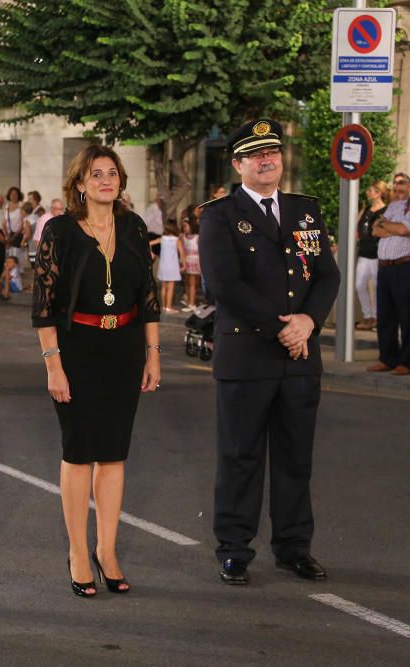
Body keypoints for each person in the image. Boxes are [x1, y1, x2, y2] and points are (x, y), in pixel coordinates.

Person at [199, 119, 340, 586]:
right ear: (238, 163)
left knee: (295, 457)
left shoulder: (304, 212)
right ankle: (235, 549)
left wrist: (308, 323)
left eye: (274, 152)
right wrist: (281, 327)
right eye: (256, 155)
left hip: (299, 356)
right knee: (240, 458)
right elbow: (224, 284)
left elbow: (327, 276)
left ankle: (294, 548)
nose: (268, 160)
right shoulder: (219, 215)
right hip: (247, 354)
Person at [32, 144, 161, 598]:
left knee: (114, 453)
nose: (106, 180)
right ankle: (78, 552)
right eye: (96, 174)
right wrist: (54, 366)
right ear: (80, 184)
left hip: (123, 348)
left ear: (120, 182)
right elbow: (43, 306)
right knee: (79, 451)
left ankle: (107, 550)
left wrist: (152, 353)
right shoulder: (59, 232)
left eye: (112, 173)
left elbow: (147, 295)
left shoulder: (134, 227)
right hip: (76, 351)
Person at [368, 173, 410, 374]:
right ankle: (387, 358)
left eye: (402, 187)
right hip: (384, 267)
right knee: (385, 315)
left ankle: (407, 362)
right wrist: (388, 227)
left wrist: (387, 226)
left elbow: (403, 230)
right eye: (395, 187)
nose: (398, 191)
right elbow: (375, 230)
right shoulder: (393, 207)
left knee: (406, 315)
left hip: (404, 267)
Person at [355, 181, 387, 330]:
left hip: (378, 254)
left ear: (379, 193)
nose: (368, 192)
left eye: (371, 190)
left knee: (376, 286)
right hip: (364, 253)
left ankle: (377, 318)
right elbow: (355, 224)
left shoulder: (385, 211)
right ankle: (368, 317)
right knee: (359, 285)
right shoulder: (366, 209)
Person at [155, 218, 185, 312]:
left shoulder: (162, 238)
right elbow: (182, 253)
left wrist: (152, 253)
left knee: (164, 286)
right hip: (172, 266)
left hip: (163, 265)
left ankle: (164, 306)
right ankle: (169, 307)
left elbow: (149, 243)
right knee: (171, 287)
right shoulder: (177, 240)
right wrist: (184, 264)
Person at [181, 205, 202, 310]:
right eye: (183, 226)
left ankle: (192, 303)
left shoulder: (197, 237)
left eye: (186, 226)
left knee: (193, 284)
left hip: (194, 262)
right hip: (187, 262)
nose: (184, 228)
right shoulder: (184, 237)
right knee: (188, 283)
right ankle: (189, 300)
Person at [3, 186, 26, 262]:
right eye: (11, 194)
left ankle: (17, 273)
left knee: (17, 256)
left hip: (18, 234)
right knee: (9, 255)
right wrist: (7, 236)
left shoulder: (21, 206)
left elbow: (23, 223)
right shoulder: (7, 206)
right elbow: (3, 222)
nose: (13, 196)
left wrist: (14, 236)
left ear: (18, 195)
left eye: (15, 194)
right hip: (9, 235)